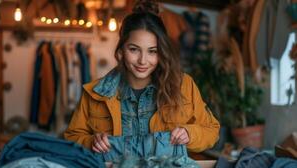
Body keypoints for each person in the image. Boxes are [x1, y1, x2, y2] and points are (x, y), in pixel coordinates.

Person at [64, 0, 220, 154]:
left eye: (152, 51)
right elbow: (72, 138)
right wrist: (91, 141)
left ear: (161, 53)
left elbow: (211, 131)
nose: (143, 61)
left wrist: (189, 134)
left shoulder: (184, 85)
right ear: (121, 50)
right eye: (134, 49)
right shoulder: (94, 93)